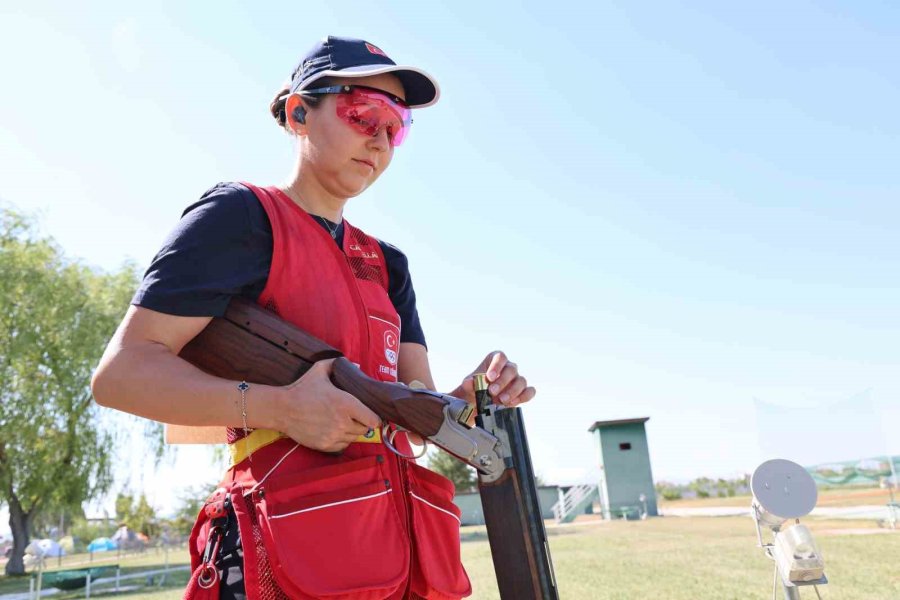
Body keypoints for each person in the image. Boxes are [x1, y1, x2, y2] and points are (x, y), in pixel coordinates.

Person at [91, 36, 536, 600]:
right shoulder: (238, 216)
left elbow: (412, 408)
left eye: (395, 125)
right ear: (299, 113)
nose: (379, 139)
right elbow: (120, 375)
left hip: (391, 559)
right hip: (282, 558)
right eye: (362, 113)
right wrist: (281, 407)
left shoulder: (390, 265)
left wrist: (474, 396)